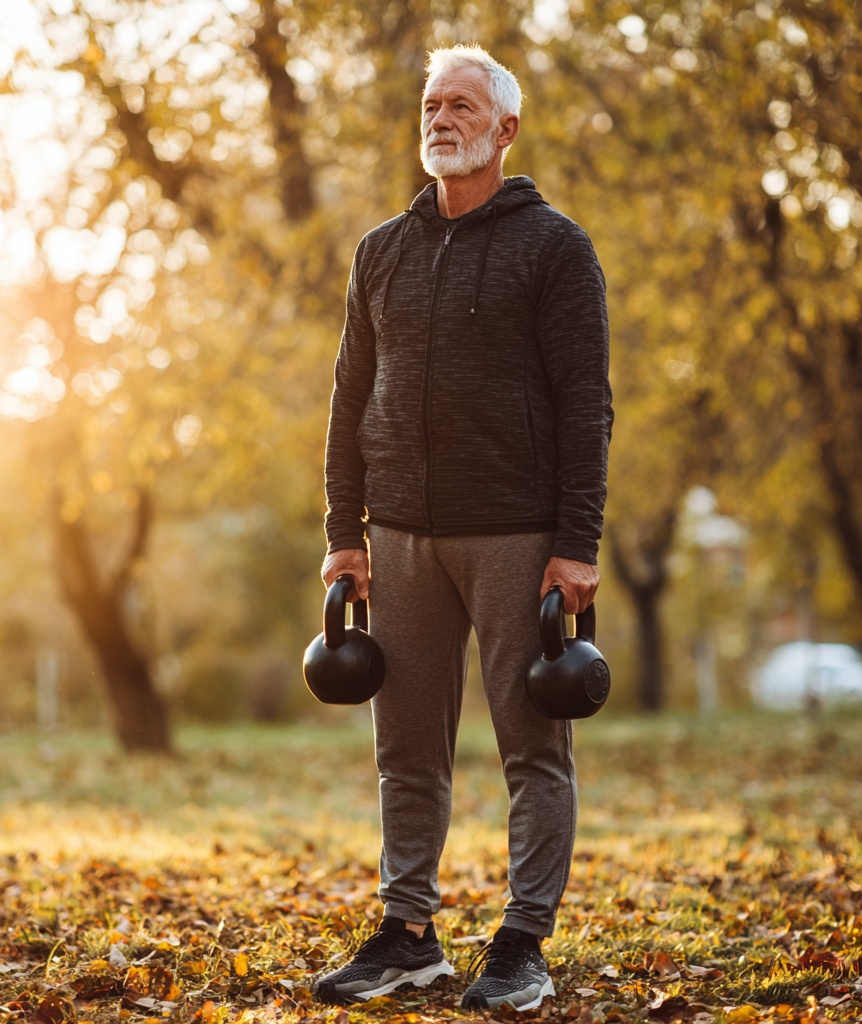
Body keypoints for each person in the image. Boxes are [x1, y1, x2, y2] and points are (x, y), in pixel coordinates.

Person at [315, 44, 613, 1012]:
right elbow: (349, 397)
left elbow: (585, 405)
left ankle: (522, 941)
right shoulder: (380, 251)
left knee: (532, 749)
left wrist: (576, 543)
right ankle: (408, 933)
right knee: (404, 746)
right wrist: (343, 528)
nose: (440, 118)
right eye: (430, 104)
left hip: (519, 536)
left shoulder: (555, 247)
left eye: (461, 105)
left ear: (504, 129)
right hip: (397, 538)